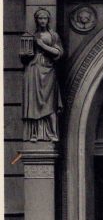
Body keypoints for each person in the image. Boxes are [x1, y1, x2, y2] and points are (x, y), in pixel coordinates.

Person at [20, 8, 64, 142]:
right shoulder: (32, 36)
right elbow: (24, 56)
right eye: (40, 18)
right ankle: (35, 133)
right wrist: (25, 55)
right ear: (37, 20)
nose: (43, 21)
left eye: (45, 18)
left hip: (49, 70)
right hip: (34, 69)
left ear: (48, 20)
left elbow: (59, 52)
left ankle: (51, 132)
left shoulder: (53, 35)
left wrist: (42, 45)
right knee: (34, 102)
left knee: (49, 102)